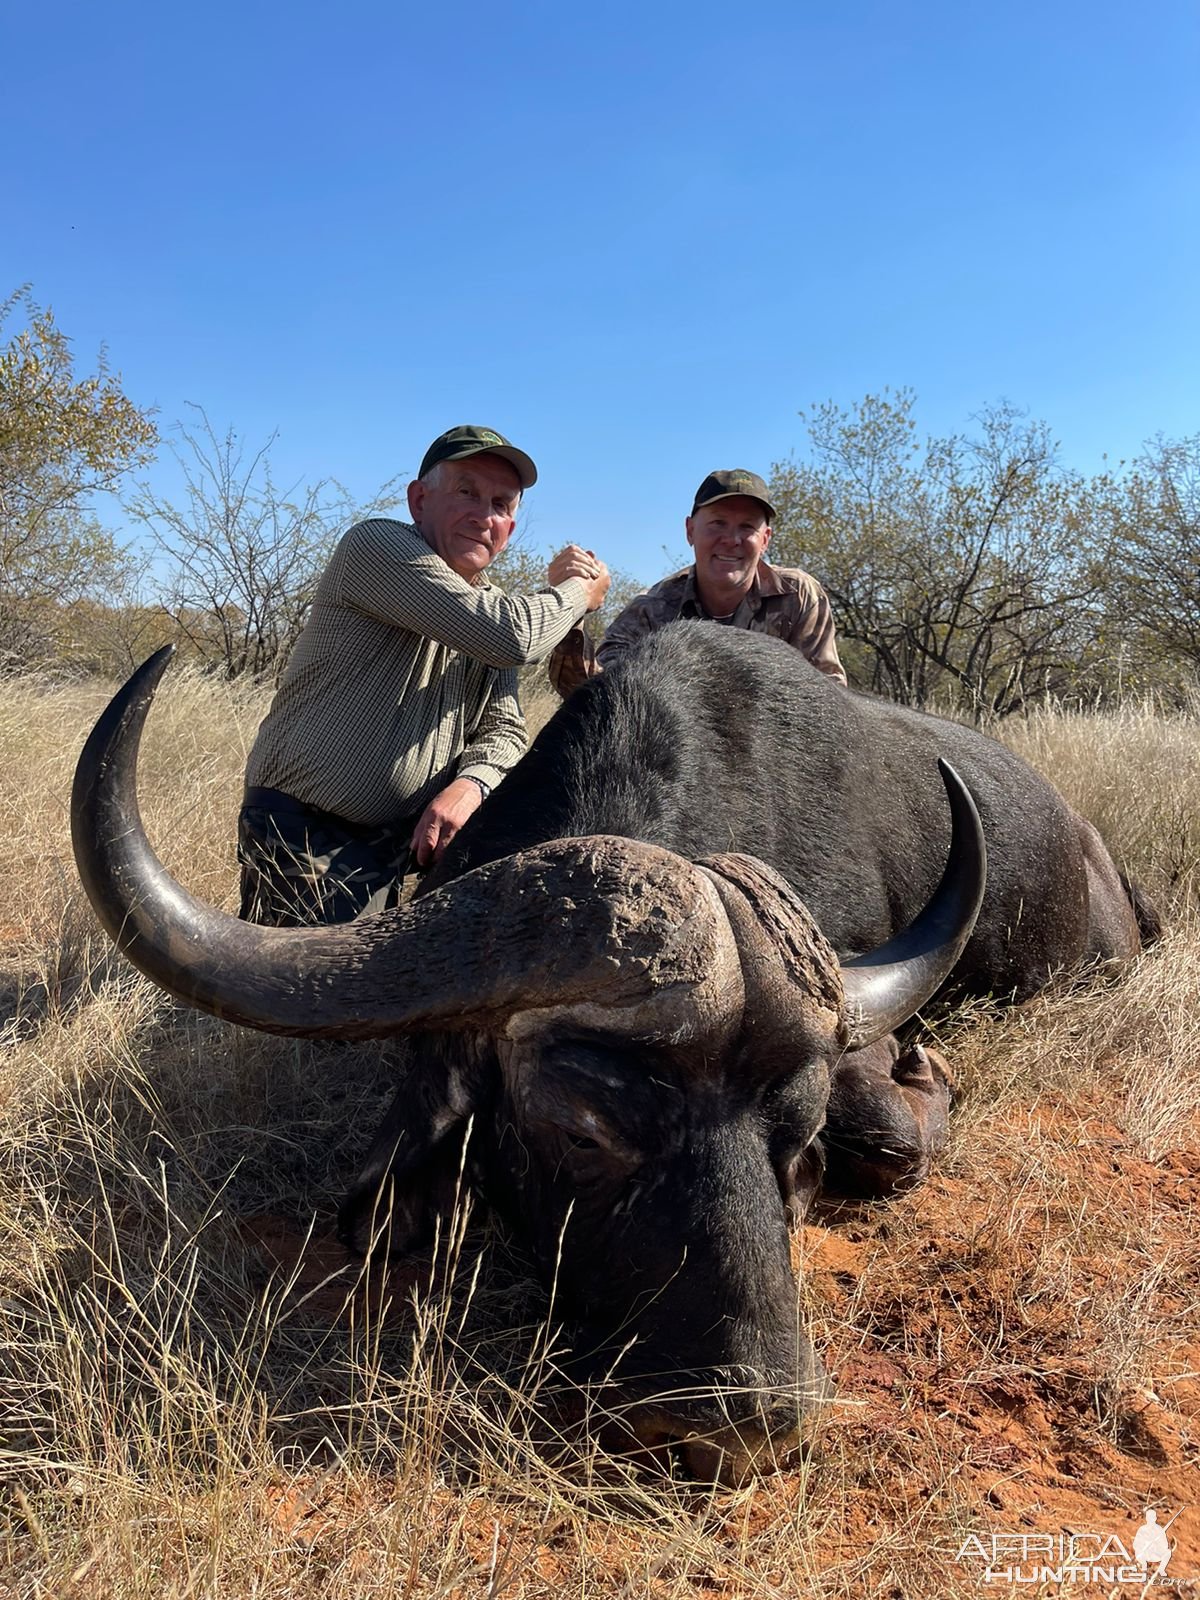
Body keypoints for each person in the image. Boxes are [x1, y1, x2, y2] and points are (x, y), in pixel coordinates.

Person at [238, 424, 610, 925]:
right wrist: (578, 593)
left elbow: (504, 731)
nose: (484, 516)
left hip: (402, 848)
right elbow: (513, 638)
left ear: (510, 531)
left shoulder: (488, 603)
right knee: (301, 993)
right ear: (418, 500)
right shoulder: (376, 547)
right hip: (306, 830)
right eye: (466, 491)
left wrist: (471, 786)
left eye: (502, 504)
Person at [548, 468, 846, 696]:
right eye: (717, 524)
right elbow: (598, 693)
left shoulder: (800, 596)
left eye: (747, 527)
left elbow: (830, 697)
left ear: (765, 539)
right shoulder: (653, 610)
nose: (731, 540)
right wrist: (572, 608)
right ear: (690, 531)